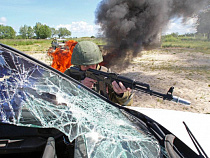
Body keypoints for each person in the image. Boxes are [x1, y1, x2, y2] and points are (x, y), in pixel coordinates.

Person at [64, 41, 133, 106]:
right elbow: (57, 89)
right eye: (85, 66)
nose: (90, 69)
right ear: (79, 65)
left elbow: (126, 103)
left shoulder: (105, 74)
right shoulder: (70, 73)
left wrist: (120, 93)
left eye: (93, 65)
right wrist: (79, 85)